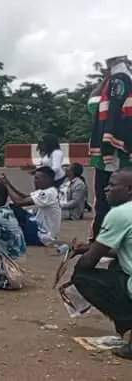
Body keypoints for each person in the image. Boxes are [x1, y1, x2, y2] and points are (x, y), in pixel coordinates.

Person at [72, 168, 132, 359]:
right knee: (117, 265)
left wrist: (83, 256)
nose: (106, 189)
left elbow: (88, 262)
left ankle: (127, 326)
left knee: (82, 277)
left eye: (113, 185)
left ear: (129, 190)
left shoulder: (120, 213)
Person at [88, 55, 132, 241]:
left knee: (105, 203)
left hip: (108, 158)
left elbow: (91, 103)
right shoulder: (121, 88)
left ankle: (101, 241)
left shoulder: (104, 98)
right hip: (120, 158)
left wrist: (107, 78)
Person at [1, 167, 62, 246]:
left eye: (37, 178)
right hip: (42, 229)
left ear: (47, 179)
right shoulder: (46, 191)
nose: (34, 181)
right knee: (15, 210)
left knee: (13, 210)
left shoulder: (48, 193)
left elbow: (19, 202)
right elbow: (24, 197)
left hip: (42, 236)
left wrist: (6, 185)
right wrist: (8, 184)